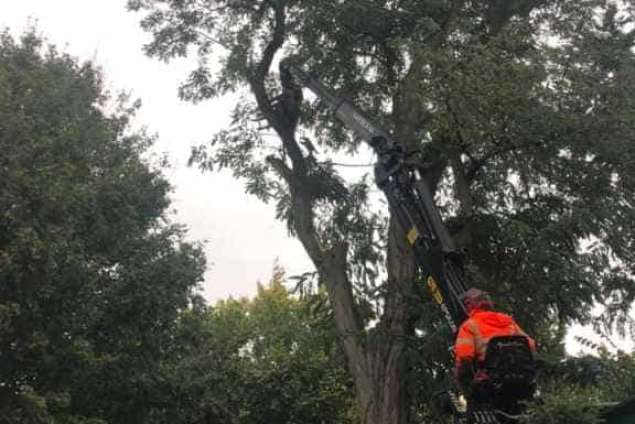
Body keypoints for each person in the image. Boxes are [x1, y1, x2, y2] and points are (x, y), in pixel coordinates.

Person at [454, 288, 537, 415]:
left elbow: (465, 357)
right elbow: (530, 346)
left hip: (491, 386)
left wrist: (461, 378)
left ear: (469, 304)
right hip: (523, 383)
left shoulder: (469, 325)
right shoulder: (508, 321)